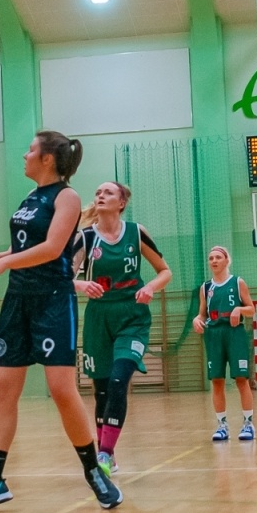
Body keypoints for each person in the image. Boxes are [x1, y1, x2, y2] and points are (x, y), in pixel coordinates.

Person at [0, 131, 122, 513]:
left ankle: (94, 472)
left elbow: (51, 249)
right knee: (3, 391)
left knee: (61, 389)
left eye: (31, 150)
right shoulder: (30, 198)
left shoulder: (67, 197)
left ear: (47, 159)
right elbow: (22, 247)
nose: (24, 155)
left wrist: (3, 263)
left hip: (52, 299)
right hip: (18, 300)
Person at [70, 181, 172, 476]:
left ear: (121, 202)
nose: (100, 195)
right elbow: (61, 277)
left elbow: (165, 271)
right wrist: (80, 284)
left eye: (108, 193)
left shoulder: (136, 233)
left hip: (132, 316)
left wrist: (150, 287)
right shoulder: (86, 238)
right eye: (98, 192)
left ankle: (104, 453)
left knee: (118, 381)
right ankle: (108, 455)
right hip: (98, 318)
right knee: (102, 390)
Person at [195, 246, 256, 442]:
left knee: (241, 379)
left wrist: (239, 309)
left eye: (218, 257)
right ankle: (222, 425)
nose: (214, 261)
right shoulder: (205, 288)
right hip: (213, 334)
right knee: (217, 380)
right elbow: (202, 313)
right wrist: (197, 320)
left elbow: (251, 309)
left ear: (226, 260)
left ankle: (248, 423)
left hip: (234, 333)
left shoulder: (237, 282)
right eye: (211, 258)